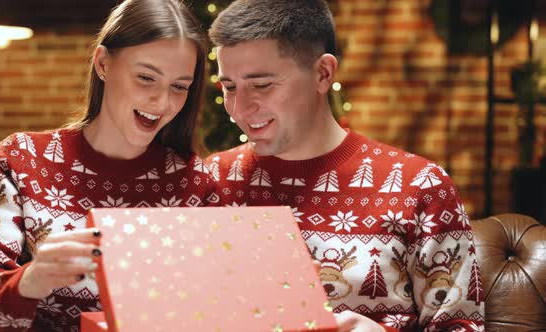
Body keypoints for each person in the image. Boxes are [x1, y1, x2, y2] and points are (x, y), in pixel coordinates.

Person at [205, 1, 485, 331]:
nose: (238, 109)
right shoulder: (210, 182)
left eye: (262, 85)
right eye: (229, 87)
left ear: (323, 73)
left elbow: (462, 325)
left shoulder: (421, 187)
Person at [0, 0, 211, 330]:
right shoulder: (20, 159)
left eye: (179, 87)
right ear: (103, 63)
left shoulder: (195, 181)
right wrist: (30, 281)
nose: (163, 102)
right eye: (146, 77)